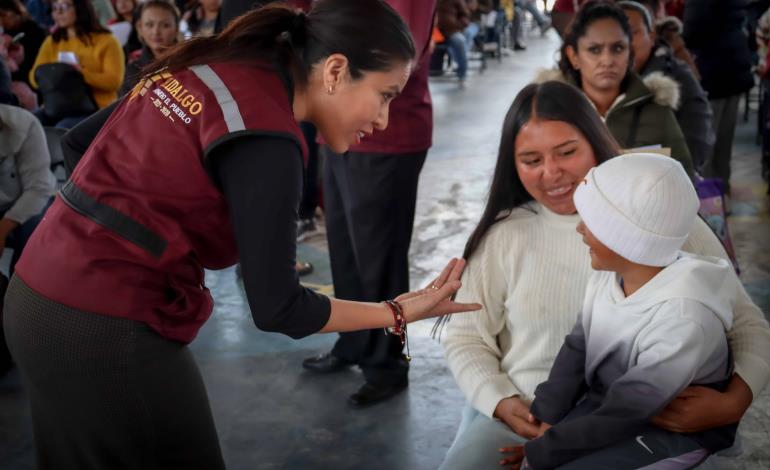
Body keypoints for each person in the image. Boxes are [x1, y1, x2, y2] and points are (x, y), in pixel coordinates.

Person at [3, 1, 481, 467]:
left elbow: (80, 142)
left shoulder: (213, 66)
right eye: (386, 95)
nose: (383, 120)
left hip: (33, 293)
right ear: (335, 71)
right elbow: (280, 308)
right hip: (101, 327)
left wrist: (143, 222)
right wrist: (395, 311)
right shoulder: (268, 137)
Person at [437, 81, 770, 469]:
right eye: (531, 160)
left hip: (649, 425)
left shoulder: (668, 226)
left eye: (567, 152)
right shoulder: (504, 235)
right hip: (524, 414)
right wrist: (498, 399)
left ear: (595, 140)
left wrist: (734, 401)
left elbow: (747, 324)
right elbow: (466, 336)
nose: (552, 172)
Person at [514, 154, 739, 469]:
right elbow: (579, 344)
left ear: (628, 239)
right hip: (613, 403)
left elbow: (629, 411)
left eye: (591, 222)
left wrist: (545, 449)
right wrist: (547, 412)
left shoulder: (685, 317)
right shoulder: (611, 273)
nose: (579, 229)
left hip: (674, 429)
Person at [301, 0, 436, 407]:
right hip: (336, 124)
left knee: (378, 258)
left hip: (385, 132)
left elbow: (399, 55)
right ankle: (354, 342)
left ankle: (386, 365)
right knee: (345, 248)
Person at [537, 0, 694, 178]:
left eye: (618, 48)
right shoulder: (551, 112)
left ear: (629, 54)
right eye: (594, 49)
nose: (607, 60)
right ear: (574, 56)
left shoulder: (657, 111)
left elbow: (685, 181)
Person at [619, 0, 714, 169]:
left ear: (652, 36)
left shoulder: (678, 76)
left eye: (633, 32)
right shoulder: (591, 82)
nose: (624, 41)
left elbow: (696, 142)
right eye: (616, 35)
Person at [0, 103, 56, 379]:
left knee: (36, 235)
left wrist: (3, 228)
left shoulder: (23, 124)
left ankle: (24, 311)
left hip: (28, 203)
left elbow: (39, 189)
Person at [683, 0, 754, 193]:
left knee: (707, 141)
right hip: (734, 67)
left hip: (713, 73)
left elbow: (690, 33)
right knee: (724, 139)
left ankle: (711, 200)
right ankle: (723, 190)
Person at [29, 0, 125, 127]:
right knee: (29, 124)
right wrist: (55, 74)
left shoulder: (107, 41)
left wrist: (81, 73)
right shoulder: (52, 41)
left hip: (95, 107)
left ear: (81, 9)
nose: (58, 12)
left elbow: (114, 82)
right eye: (55, 7)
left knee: (62, 129)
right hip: (57, 105)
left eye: (64, 6)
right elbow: (33, 78)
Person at [119, 0, 180, 96]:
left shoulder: (191, 62)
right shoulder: (132, 72)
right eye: (149, 25)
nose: (156, 32)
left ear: (176, 29)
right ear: (140, 28)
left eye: (165, 25)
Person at [0, 0, 48, 87]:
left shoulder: (33, 30)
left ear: (17, 12)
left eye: (4, 15)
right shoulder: (5, 34)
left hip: (30, 78)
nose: (1, 20)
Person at [437, 0, 470, 84]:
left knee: (460, 41)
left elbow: (465, 15)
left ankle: (462, 74)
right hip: (434, 32)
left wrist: (457, 25)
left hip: (451, 31)